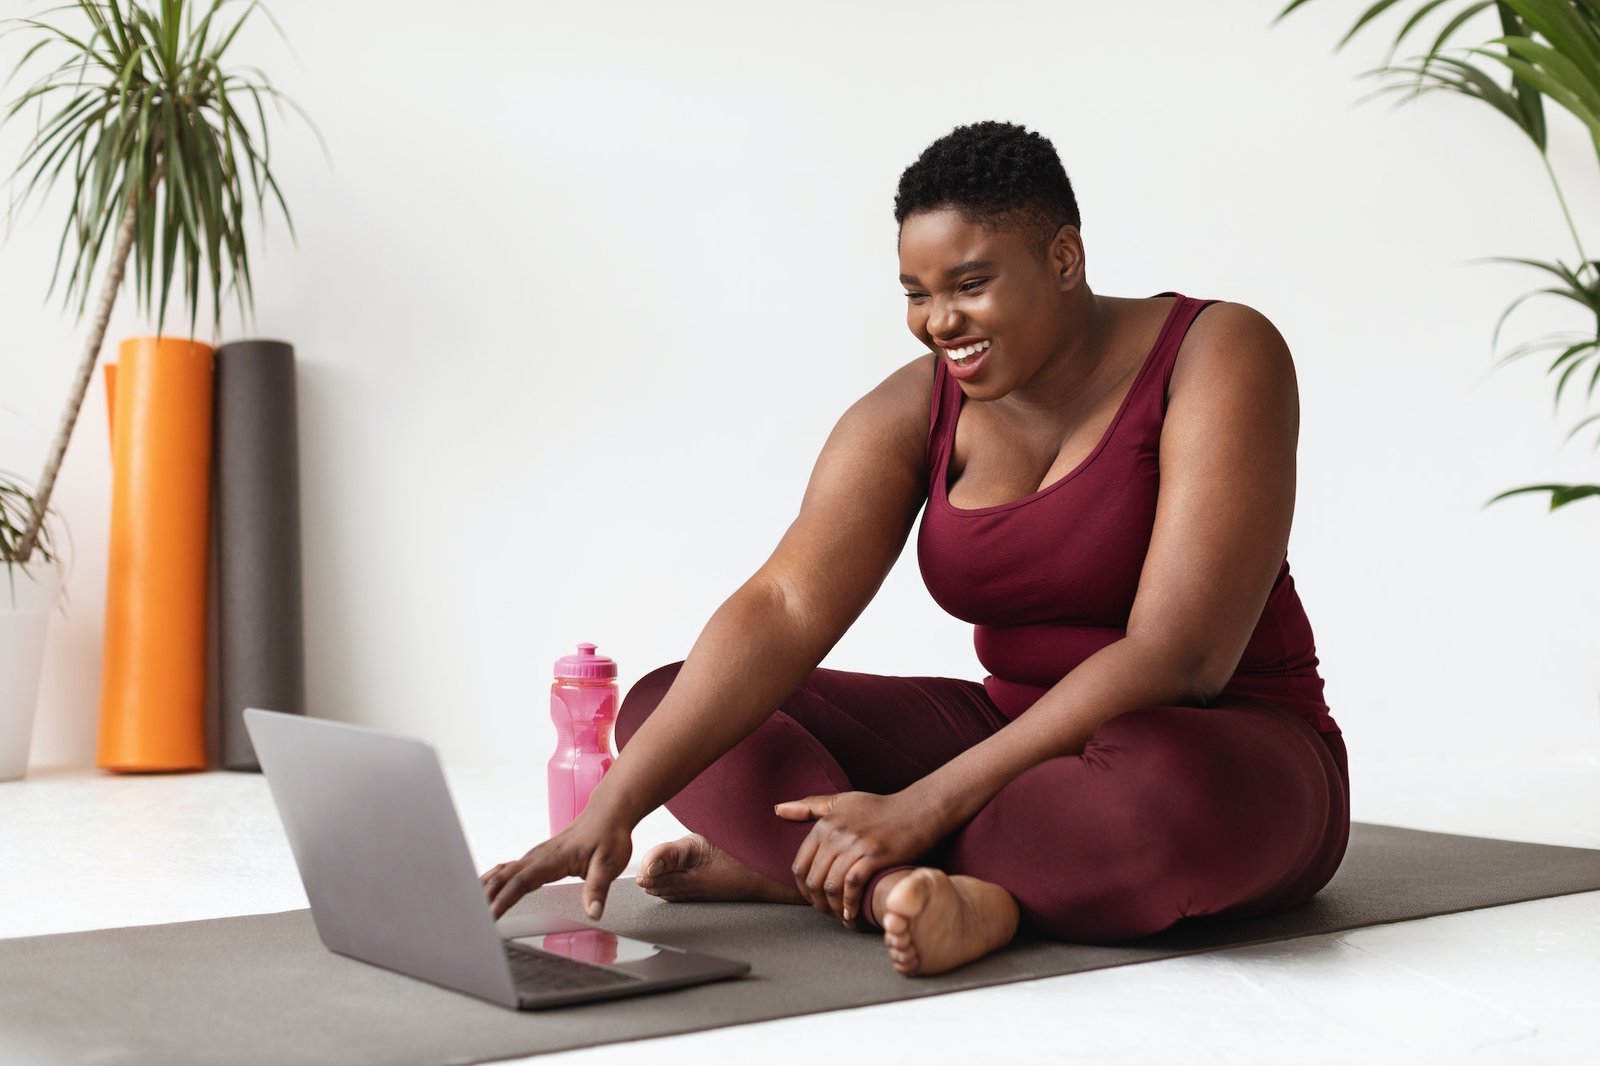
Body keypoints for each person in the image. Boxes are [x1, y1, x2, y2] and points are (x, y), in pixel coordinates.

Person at [482, 120, 1348, 977]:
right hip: (1006, 740)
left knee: (1158, 806)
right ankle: (917, 890)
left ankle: (841, 877)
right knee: (667, 710)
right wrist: (616, 804)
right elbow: (784, 606)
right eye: (915, 292)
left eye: (969, 284)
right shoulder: (912, 411)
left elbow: (1181, 653)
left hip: (1221, 744)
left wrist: (921, 806)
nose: (939, 322)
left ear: (1064, 257)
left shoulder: (1218, 351)